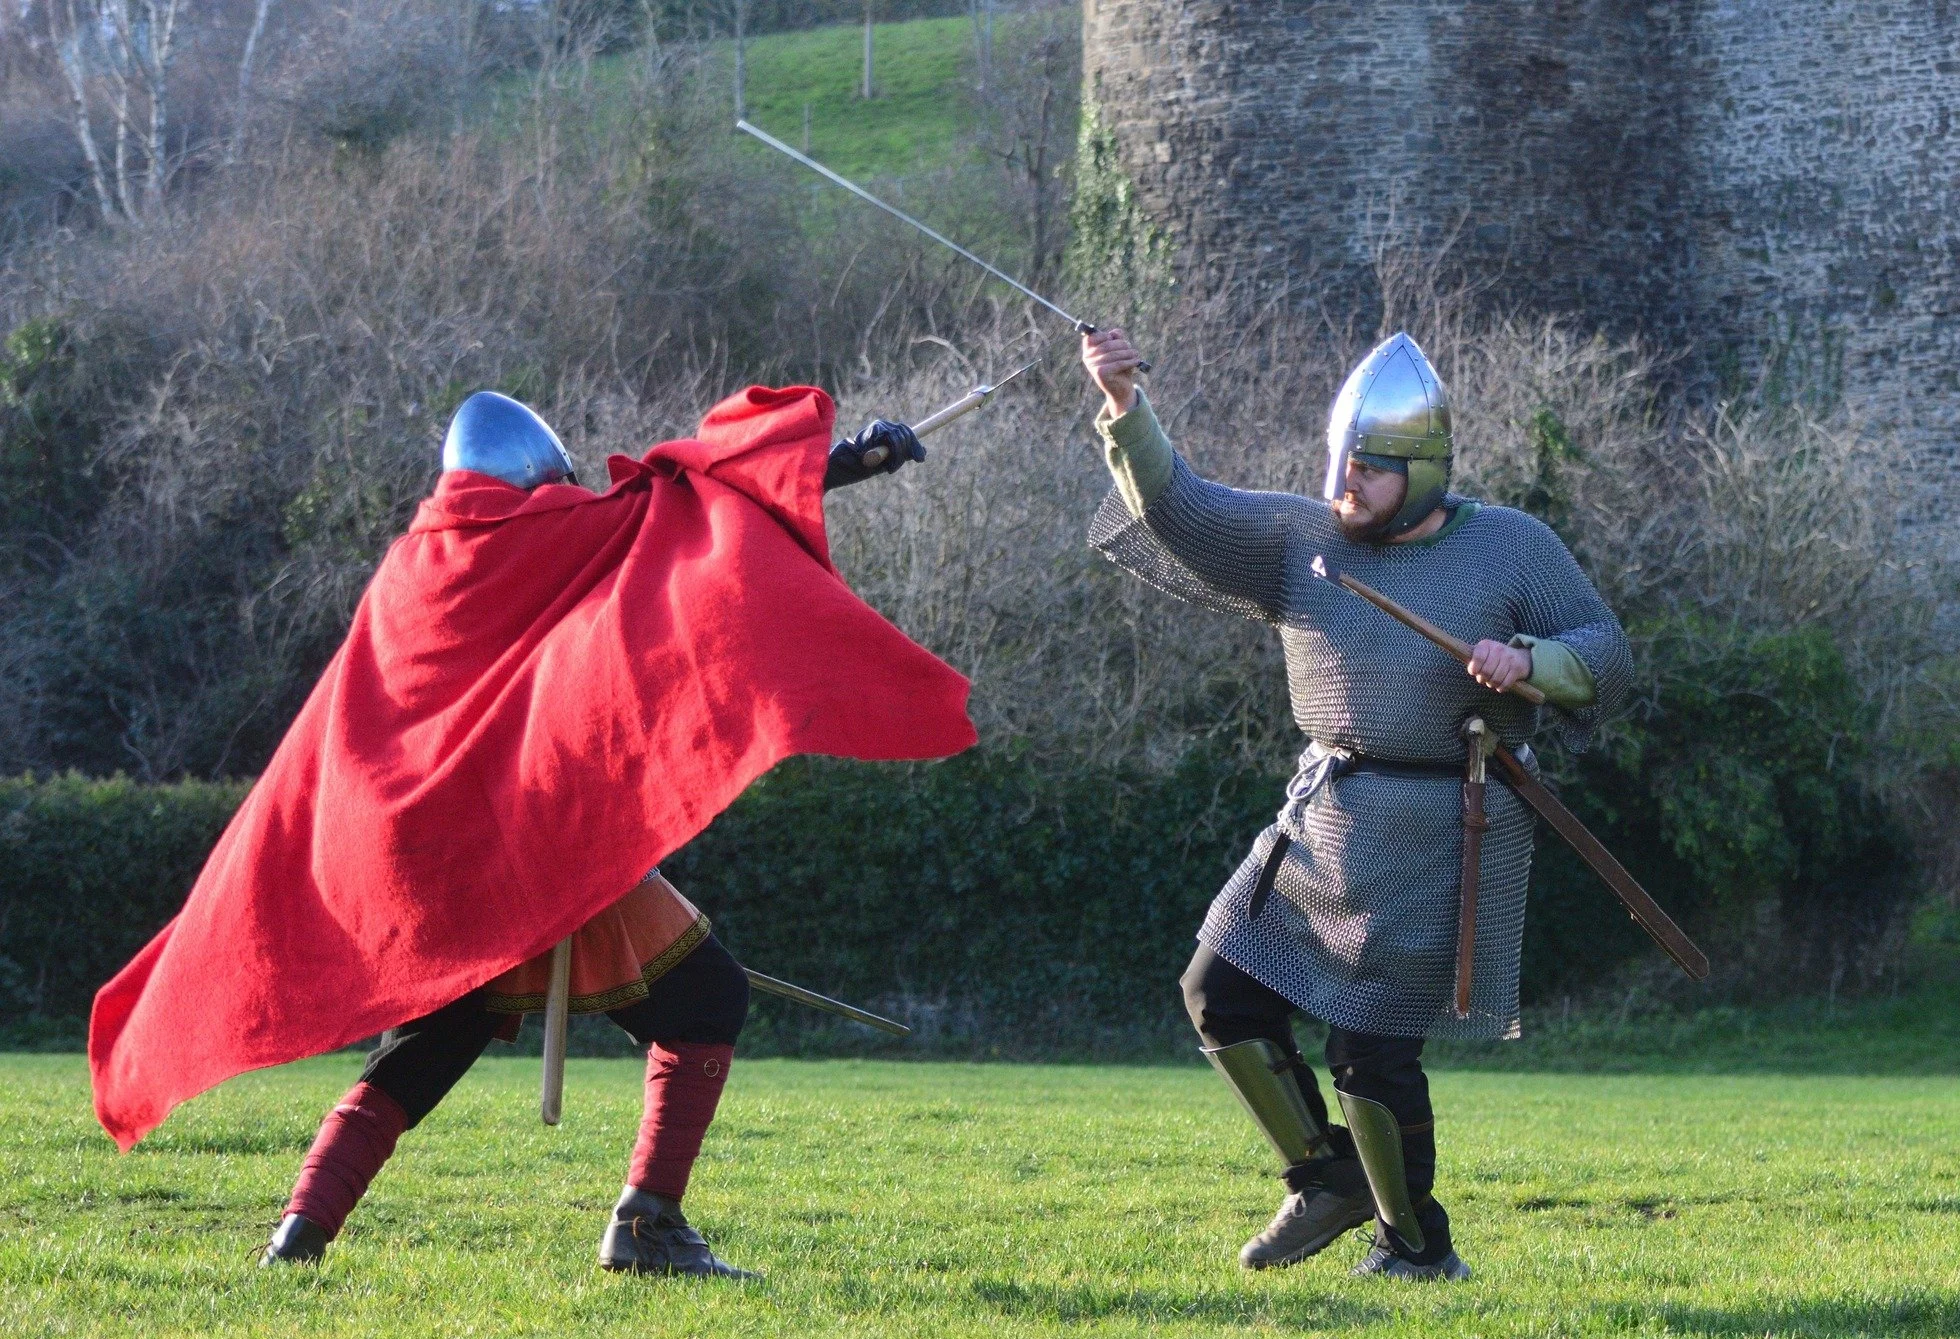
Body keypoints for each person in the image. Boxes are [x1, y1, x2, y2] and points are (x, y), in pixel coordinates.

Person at [88, 387, 976, 1277]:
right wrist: (844, 463)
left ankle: (299, 1234)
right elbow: (690, 512)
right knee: (707, 999)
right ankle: (647, 1228)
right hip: (519, 842)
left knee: (429, 1043)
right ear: (536, 479)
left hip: (423, 857)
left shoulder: (408, 564)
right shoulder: (542, 533)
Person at [1081, 328, 1632, 1279]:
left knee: (1369, 1050)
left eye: (1370, 469)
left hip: (1441, 828)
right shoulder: (1304, 543)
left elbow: (1606, 653)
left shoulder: (1509, 547)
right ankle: (1326, 1178)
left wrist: (1528, 661)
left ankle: (1415, 1247)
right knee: (1217, 993)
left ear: (1423, 470)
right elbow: (1182, 507)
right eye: (1342, 461)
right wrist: (1125, 404)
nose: (1348, 483)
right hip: (1322, 817)